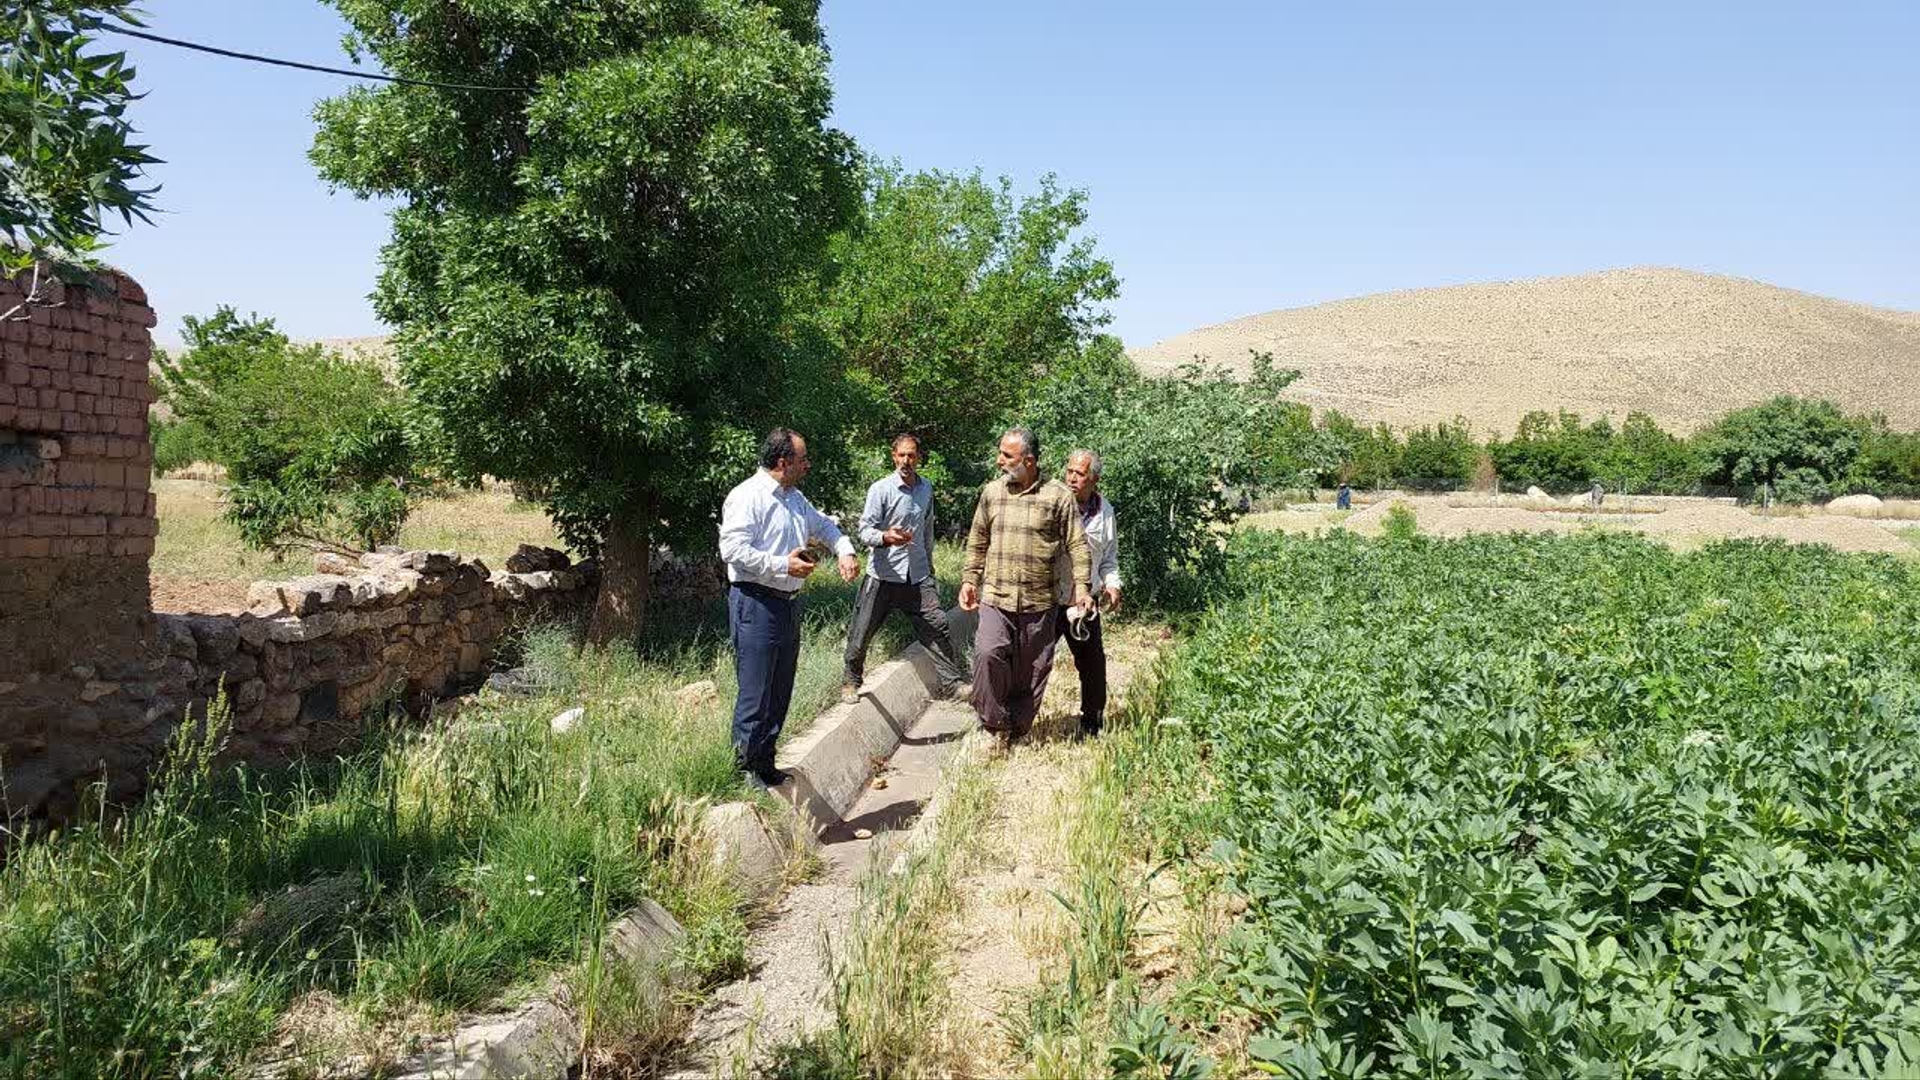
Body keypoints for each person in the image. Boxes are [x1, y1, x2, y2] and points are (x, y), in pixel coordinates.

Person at [718, 428, 859, 787]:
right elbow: (732, 551)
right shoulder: (747, 496)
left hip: (786, 604)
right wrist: (783, 565)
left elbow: (824, 526)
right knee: (755, 691)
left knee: (780, 687)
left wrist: (844, 549)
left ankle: (766, 762)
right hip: (755, 601)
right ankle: (744, 770)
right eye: (803, 459)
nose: (807, 465)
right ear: (784, 462)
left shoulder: (794, 498)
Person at [959, 427, 1092, 753]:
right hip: (996, 595)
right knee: (988, 653)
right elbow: (978, 540)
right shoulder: (992, 492)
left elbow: (1077, 544)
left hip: (1039, 600)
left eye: (1007, 455)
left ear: (1029, 461)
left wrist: (1084, 588)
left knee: (1031, 670)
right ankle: (992, 726)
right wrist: (969, 580)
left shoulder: (1058, 497)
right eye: (1000, 453)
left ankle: (1017, 730)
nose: (999, 460)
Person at [842, 433, 968, 703]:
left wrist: (929, 565)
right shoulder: (881, 489)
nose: (906, 461)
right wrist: (886, 537)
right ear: (893, 456)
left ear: (919, 458)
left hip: (918, 575)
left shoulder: (926, 489)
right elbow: (864, 530)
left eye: (912, 455)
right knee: (861, 631)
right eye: (902, 455)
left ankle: (953, 684)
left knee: (937, 626)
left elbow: (926, 530)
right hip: (883, 576)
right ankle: (851, 680)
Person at [1057, 449, 1122, 737]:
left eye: (1079, 474)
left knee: (1093, 664)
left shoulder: (1104, 511)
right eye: (1069, 471)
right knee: (1031, 663)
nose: (1072, 478)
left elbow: (1109, 557)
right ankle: (1016, 722)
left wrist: (1112, 584)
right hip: (1048, 599)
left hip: (1085, 603)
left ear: (1093, 479)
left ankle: (1092, 723)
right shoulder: (1052, 501)